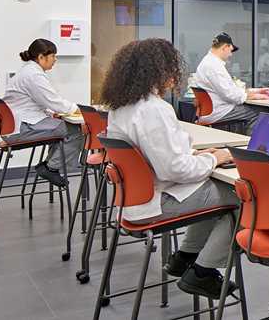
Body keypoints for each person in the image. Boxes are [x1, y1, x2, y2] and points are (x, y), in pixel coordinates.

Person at [102, 38, 240, 299]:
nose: (175, 74)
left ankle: (184, 257)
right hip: (157, 201)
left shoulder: (121, 108)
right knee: (243, 196)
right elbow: (175, 170)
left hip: (133, 201)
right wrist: (216, 159)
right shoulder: (153, 109)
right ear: (158, 71)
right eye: (172, 68)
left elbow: (158, 156)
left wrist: (195, 154)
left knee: (216, 193)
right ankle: (202, 273)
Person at [0, 39, 85, 186]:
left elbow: (39, 102)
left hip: (17, 126)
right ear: (41, 57)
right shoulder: (33, 75)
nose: (55, 59)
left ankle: (50, 166)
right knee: (76, 130)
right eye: (52, 55)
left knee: (61, 127)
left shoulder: (29, 71)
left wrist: (52, 114)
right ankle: (50, 168)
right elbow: (54, 101)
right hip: (23, 127)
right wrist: (79, 109)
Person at [193, 33, 267, 134]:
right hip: (217, 111)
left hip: (212, 109)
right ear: (224, 47)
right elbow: (231, 95)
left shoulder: (208, 62)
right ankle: (250, 147)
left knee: (243, 109)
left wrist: (253, 94)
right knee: (257, 112)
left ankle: (240, 141)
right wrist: (254, 96)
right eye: (230, 50)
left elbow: (231, 90)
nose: (230, 54)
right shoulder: (213, 66)